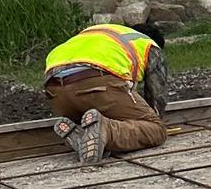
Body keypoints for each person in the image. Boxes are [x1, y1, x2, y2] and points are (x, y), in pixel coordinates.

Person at [42, 21, 170, 166]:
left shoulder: (100, 34)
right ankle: (107, 131)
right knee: (156, 130)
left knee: (93, 118)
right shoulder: (147, 44)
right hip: (96, 82)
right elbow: (157, 93)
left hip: (55, 92)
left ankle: (80, 133)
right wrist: (154, 119)